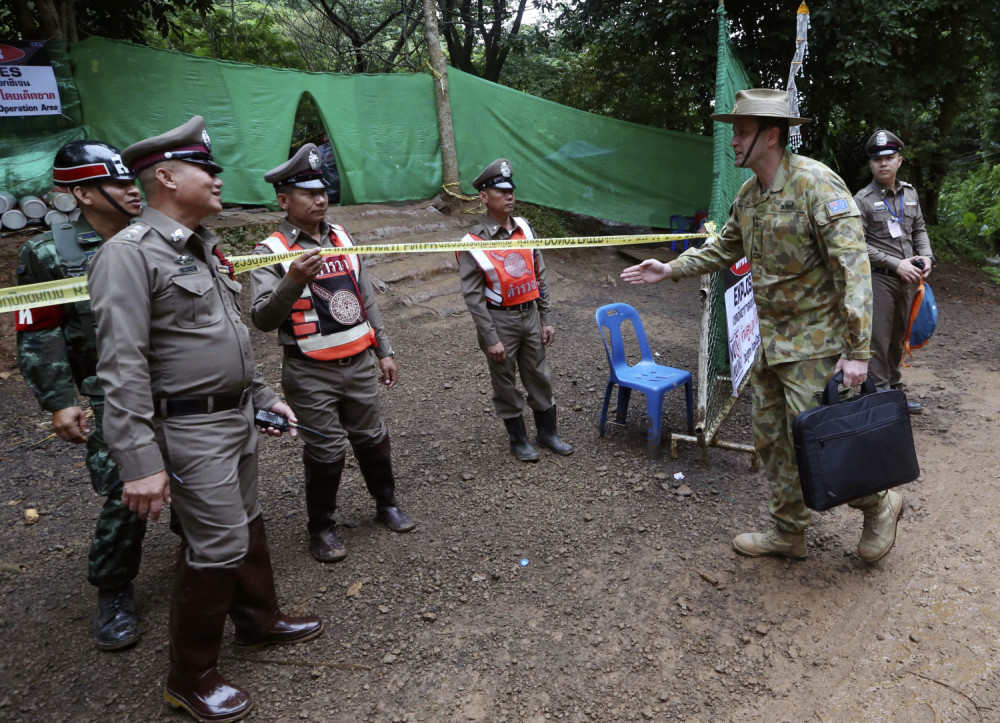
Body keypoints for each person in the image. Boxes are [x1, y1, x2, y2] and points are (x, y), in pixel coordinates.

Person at [88, 116, 323, 723]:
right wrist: (139, 463)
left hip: (234, 416)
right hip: (189, 428)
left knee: (245, 521)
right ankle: (189, 678)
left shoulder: (202, 247)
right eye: (206, 169)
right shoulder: (128, 255)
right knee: (216, 542)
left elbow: (230, 336)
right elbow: (121, 366)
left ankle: (258, 621)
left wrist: (263, 394)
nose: (218, 179)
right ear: (167, 177)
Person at [621, 89, 903, 563]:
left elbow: (854, 271)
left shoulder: (817, 185)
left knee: (825, 440)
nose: (733, 141)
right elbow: (724, 247)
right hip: (770, 344)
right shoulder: (749, 195)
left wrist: (857, 352)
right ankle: (789, 532)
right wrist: (671, 268)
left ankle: (880, 504)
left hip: (815, 344)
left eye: (742, 132)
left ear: (771, 136)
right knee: (771, 438)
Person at [249, 143, 415, 564]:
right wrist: (291, 280)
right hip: (309, 371)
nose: (320, 199)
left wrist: (384, 349)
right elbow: (262, 319)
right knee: (325, 451)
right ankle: (321, 528)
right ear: (284, 201)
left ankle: (387, 504)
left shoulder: (341, 237)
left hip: (359, 362)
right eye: (308, 193)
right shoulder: (269, 252)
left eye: (322, 191)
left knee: (372, 438)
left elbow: (365, 297)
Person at [15, 140, 147, 650]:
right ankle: (113, 588)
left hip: (172, 383)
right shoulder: (49, 254)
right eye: (117, 183)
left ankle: (204, 553)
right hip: (107, 392)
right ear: (84, 194)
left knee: (195, 472)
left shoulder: (156, 236)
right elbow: (38, 331)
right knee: (124, 488)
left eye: (131, 180)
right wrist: (58, 399)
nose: (132, 190)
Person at [457, 158, 573, 462]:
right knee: (505, 381)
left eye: (511, 191)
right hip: (499, 319)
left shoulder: (524, 228)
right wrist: (491, 337)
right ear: (484, 197)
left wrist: (546, 317)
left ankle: (548, 434)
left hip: (530, 315)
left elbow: (539, 274)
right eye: (501, 192)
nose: (509, 196)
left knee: (539, 375)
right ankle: (519, 440)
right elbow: (473, 296)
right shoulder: (473, 242)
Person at [854, 129, 933, 414]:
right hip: (878, 280)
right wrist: (895, 263)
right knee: (878, 340)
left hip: (908, 280)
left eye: (889, 158)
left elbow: (919, 229)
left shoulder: (910, 193)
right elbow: (858, 245)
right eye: (877, 159)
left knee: (899, 338)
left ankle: (894, 393)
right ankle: (880, 402)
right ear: (871, 164)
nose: (883, 163)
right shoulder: (862, 199)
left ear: (899, 160)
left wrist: (926, 256)